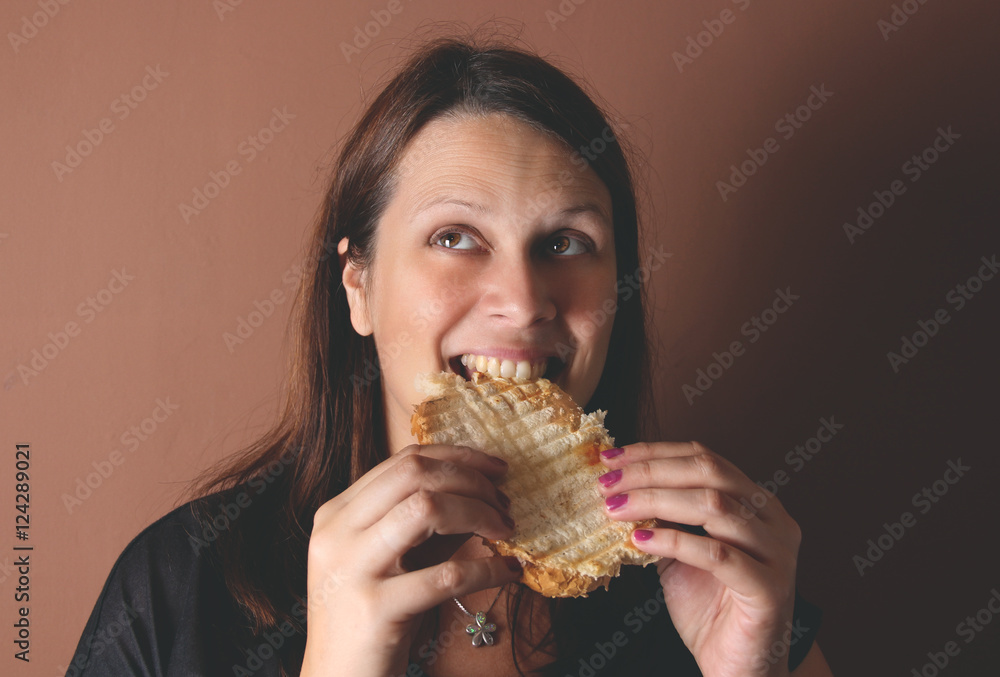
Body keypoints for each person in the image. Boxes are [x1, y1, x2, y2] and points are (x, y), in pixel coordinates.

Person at [67, 37, 834, 676]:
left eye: (568, 243)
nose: (524, 297)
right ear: (359, 285)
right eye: (455, 237)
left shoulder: (714, 586)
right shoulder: (177, 594)